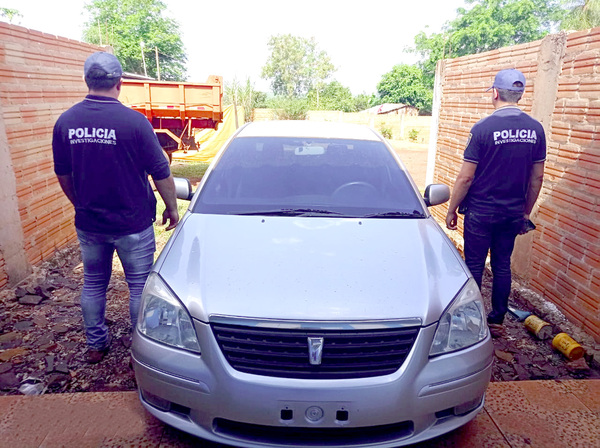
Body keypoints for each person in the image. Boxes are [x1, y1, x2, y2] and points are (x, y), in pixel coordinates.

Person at [52, 52, 179, 363]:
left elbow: (63, 174)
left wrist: (80, 203)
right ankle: (140, 346)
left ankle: (96, 344)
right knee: (139, 287)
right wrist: (172, 207)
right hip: (132, 222)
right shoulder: (134, 123)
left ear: (87, 81)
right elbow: (161, 171)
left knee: (94, 282)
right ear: (120, 83)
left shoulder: (66, 122)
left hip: (90, 223)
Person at [445, 68, 546, 337]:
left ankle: (471, 320)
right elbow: (537, 178)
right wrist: (524, 213)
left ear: (495, 92)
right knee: (502, 265)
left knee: (475, 265)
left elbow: (466, 178)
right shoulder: (536, 130)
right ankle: (497, 320)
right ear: (520, 95)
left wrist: (452, 208)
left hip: (481, 212)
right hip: (511, 213)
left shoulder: (482, 129)